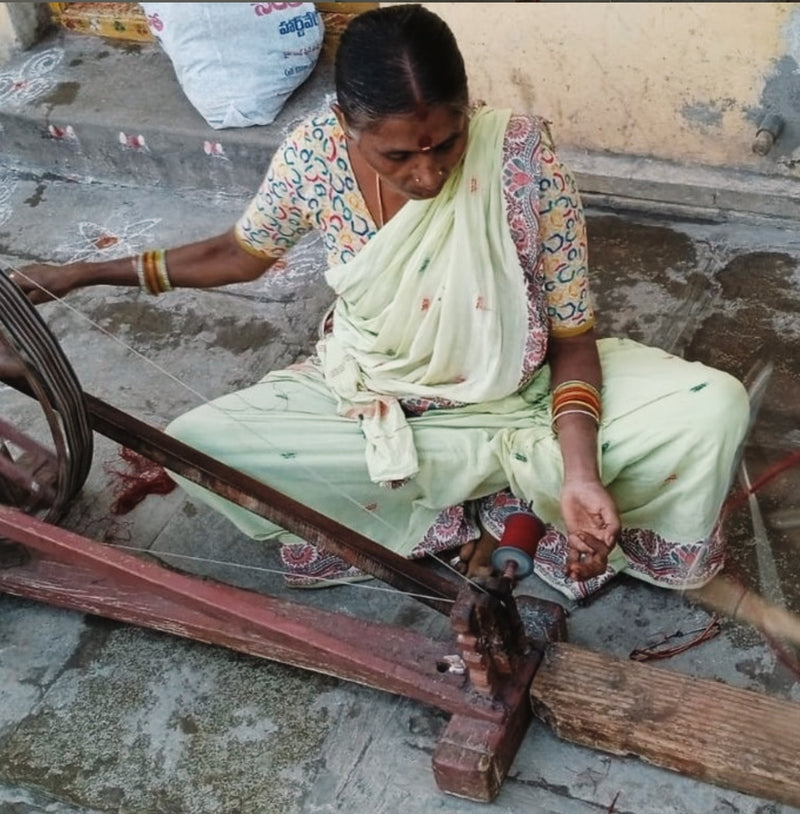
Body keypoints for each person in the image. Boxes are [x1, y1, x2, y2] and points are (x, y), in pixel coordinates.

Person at [13, 5, 798, 647]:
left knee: (712, 406)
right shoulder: (313, 160)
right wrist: (83, 273)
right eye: (398, 156)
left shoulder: (520, 160)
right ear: (347, 123)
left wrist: (582, 468)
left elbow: (572, 337)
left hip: (525, 397)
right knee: (199, 444)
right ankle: (488, 506)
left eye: (446, 143)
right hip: (385, 404)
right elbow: (238, 252)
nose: (427, 173)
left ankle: (514, 497)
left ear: (467, 111)